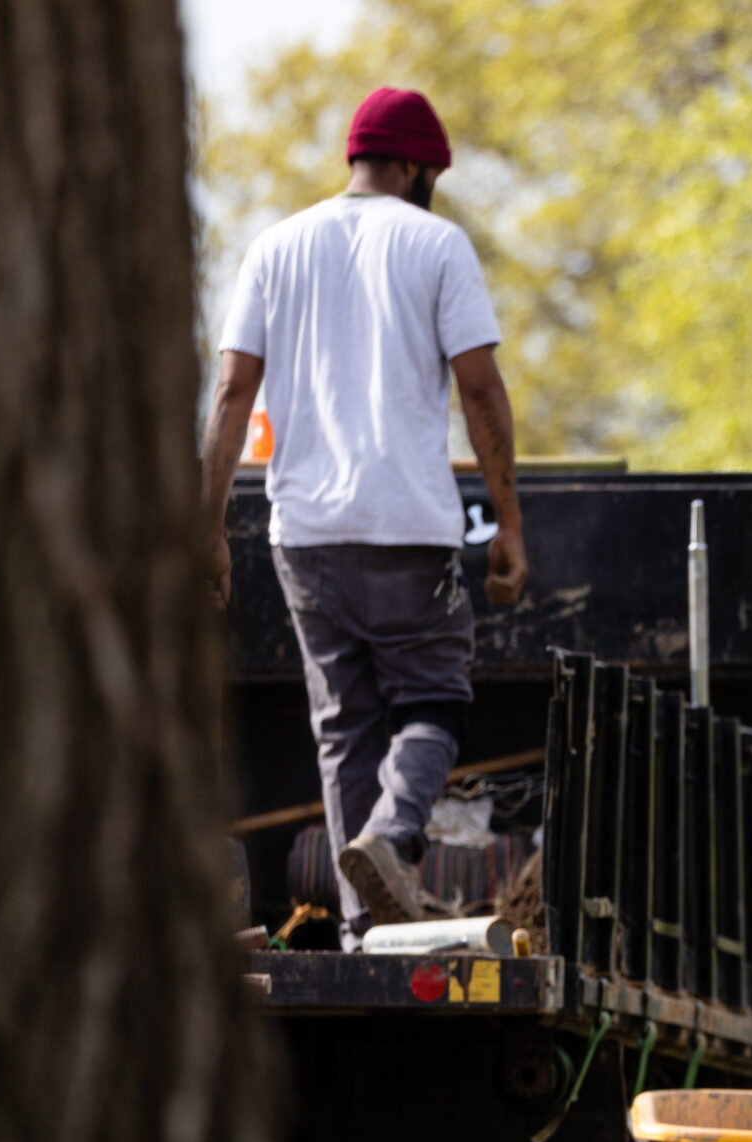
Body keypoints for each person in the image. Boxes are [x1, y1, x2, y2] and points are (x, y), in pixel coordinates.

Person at [198, 86, 528, 942]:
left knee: (344, 725)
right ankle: (389, 838)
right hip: (405, 526)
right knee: (435, 698)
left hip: (302, 536)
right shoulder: (437, 244)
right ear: (415, 166)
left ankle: (359, 930)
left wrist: (206, 527)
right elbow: (481, 388)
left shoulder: (275, 246)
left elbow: (232, 391)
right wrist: (510, 524)